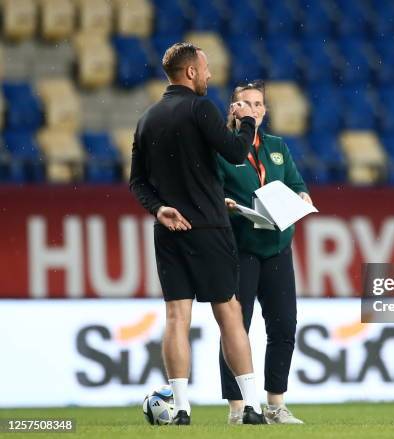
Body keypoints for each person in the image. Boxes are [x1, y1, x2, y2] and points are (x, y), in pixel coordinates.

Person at [129, 42, 267, 425]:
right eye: (205, 69)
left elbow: (137, 182)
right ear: (190, 72)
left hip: (169, 230)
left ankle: (181, 408)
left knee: (176, 317)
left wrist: (158, 208)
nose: (208, 76)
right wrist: (247, 123)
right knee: (229, 313)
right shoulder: (200, 108)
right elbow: (237, 153)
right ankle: (252, 405)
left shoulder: (148, 118)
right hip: (208, 227)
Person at [216, 80, 311, 425]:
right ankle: (238, 408)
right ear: (233, 110)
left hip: (277, 246)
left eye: (258, 104)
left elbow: (297, 184)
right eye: (245, 104)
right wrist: (224, 206)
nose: (252, 109)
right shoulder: (223, 150)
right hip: (240, 248)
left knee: (284, 326)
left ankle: (275, 405)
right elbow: (210, 193)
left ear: (265, 111)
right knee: (235, 328)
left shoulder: (276, 146)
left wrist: (303, 198)